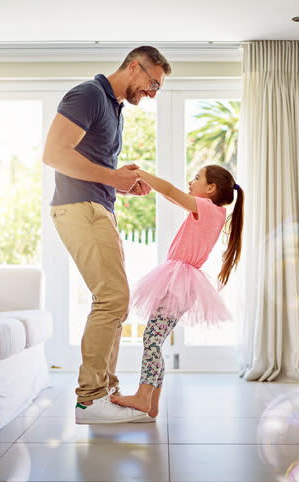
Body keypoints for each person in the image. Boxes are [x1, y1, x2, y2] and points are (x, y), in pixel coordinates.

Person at [42, 46, 172, 424]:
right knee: (112, 297)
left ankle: (107, 393)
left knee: (117, 300)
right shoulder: (88, 95)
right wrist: (112, 177)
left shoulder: (113, 107)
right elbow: (53, 153)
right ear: (134, 67)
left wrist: (121, 184)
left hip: (99, 206)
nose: (152, 93)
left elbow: (92, 163)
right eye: (152, 83)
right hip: (79, 206)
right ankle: (89, 399)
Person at [111, 165, 244, 419]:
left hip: (177, 280)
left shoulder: (206, 208)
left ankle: (142, 396)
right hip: (182, 281)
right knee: (155, 341)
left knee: (151, 340)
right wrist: (152, 187)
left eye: (197, 178)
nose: (191, 181)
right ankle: (151, 404)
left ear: (211, 188)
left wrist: (141, 173)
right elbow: (171, 195)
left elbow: (172, 190)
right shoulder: (215, 212)